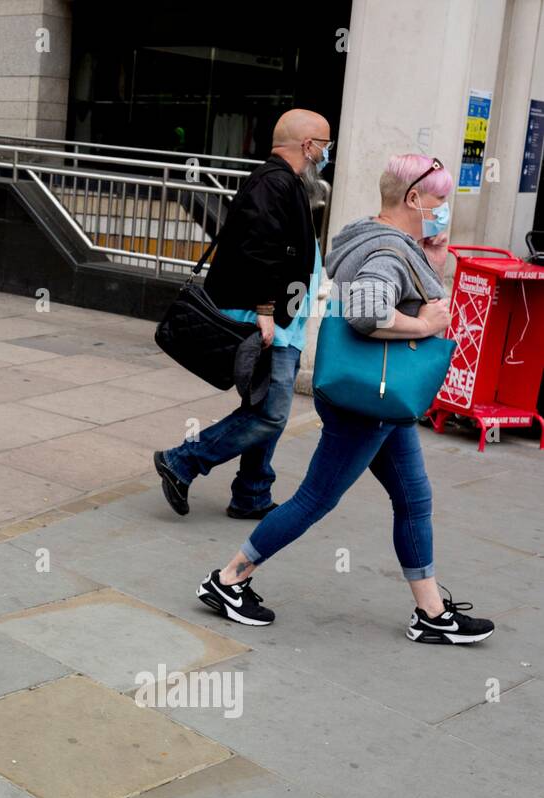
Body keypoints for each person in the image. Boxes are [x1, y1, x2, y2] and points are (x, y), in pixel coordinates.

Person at [195, 153, 494, 645]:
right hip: (368, 401)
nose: (445, 209)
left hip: (380, 399)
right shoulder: (386, 251)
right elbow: (365, 310)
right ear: (414, 198)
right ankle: (229, 578)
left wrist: (433, 258)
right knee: (316, 499)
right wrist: (425, 325)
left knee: (414, 498)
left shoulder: (377, 239)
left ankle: (432, 613)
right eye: (440, 200)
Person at [155, 109, 330, 520]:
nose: (326, 153)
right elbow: (259, 249)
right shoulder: (275, 182)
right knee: (270, 414)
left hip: (283, 317)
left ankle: (252, 492)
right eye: (324, 144)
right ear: (308, 146)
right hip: (270, 323)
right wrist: (267, 311)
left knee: (261, 408)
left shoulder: (284, 182)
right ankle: (182, 460)